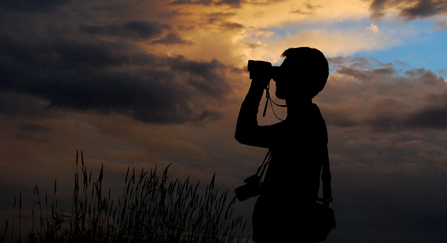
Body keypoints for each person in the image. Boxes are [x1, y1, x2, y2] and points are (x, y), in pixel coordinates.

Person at [235, 47, 330, 242]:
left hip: (283, 233)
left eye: (283, 72)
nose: (276, 78)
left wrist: (258, 85)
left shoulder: (304, 125)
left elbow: (245, 133)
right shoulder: (307, 120)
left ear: (299, 79)